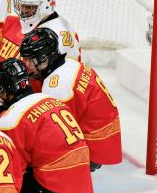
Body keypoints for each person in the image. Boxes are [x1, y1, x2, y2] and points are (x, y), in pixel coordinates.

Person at [0, 59, 93, 193]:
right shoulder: (51, 99)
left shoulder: (10, 119)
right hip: (81, 186)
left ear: (3, 88)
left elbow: (11, 171)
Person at [19, 27, 122, 168]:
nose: (27, 64)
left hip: (94, 147)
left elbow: (58, 134)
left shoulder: (56, 84)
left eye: (31, 59)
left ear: (45, 58)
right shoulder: (71, 64)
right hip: (106, 138)